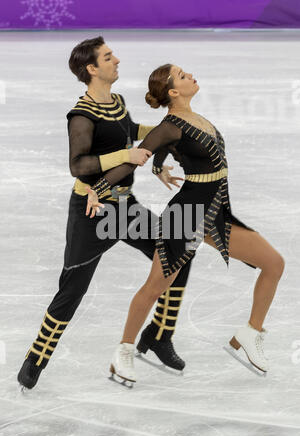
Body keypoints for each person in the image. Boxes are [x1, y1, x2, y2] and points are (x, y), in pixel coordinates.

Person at [86, 63, 285, 382]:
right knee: (155, 287)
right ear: (174, 92)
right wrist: (98, 189)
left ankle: (250, 333)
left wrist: (160, 169)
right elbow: (138, 157)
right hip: (186, 214)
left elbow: (163, 155)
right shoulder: (169, 125)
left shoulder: (198, 118)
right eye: (182, 76)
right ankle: (123, 350)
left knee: (274, 263)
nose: (190, 75)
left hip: (217, 212)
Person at [17, 39, 194, 390]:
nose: (117, 60)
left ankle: (158, 335)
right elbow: (78, 165)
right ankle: (36, 358)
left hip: (124, 207)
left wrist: (170, 132)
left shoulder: (117, 102)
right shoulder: (82, 115)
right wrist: (125, 157)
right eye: (109, 57)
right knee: (72, 291)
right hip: (91, 213)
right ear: (92, 69)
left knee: (179, 251)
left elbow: (128, 133)